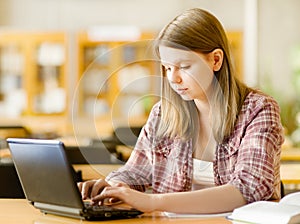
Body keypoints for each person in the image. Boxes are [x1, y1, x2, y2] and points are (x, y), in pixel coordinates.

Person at [78, 8, 284, 214]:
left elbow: (249, 189)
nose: (173, 78)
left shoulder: (258, 110)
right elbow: (135, 173)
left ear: (216, 60)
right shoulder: (163, 114)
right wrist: (114, 186)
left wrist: (153, 202)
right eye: (167, 68)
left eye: (184, 67)